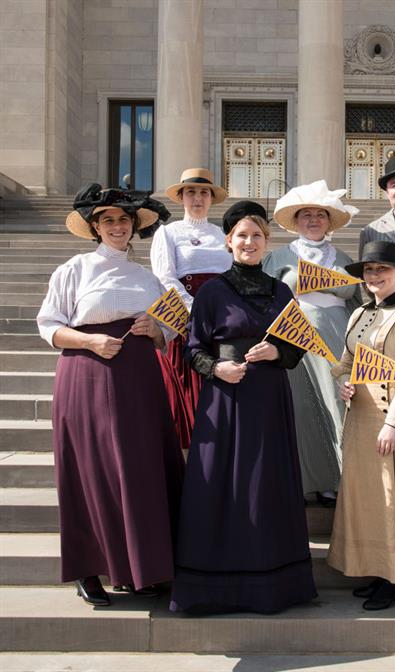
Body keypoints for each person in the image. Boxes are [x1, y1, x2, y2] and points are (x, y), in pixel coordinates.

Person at [37, 184, 185, 607]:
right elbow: (49, 325)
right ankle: (89, 571)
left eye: (124, 220)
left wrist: (156, 330)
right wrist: (90, 344)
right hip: (86, 373)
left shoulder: (149, 278)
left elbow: (170, 329)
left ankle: (142, 569)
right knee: (91, 471)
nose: (117, 226)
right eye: (108, 220)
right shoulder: (73, 269)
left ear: (134, 226)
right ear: (95, 227)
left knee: (139, 471)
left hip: (139, 379)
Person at [170, 201, 317, 615]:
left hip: (269, 400)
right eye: (241, 235)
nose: (249, 242)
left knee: (265, 485)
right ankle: (214, 586)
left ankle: (274, 585)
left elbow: (297, 345)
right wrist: (217, 368)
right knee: (222, 486)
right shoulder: (212, 292)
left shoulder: (283, 290)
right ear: (228, 242)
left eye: (256, 235)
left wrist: (277, 351)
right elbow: (193, 349)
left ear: (266, 241)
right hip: (225, 400)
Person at [327, 241, 395, 611]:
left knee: (394, 496)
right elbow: (344, 362)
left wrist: (392, 424)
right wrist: (343, 380)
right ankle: (377, 569)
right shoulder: (358, 314)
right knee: (370, 499)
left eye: (382, 269)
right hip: (359, 416)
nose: (374, 276)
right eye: (369, 270)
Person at [263, 180, 361, 506]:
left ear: (329, 220)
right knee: (299, 405)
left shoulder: (344, 256)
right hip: (293, 335)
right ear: (297, 220)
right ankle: (301, 479)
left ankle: (336, 479)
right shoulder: (278, 257)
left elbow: (356, 298)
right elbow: (269, 300)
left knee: (336, 403)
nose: (314, 220)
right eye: (306, 214)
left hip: (335, 334)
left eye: (320, 214)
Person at [150, 168, 230, 451]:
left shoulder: (223, 234)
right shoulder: (168, 233)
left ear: (211, 198)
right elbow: (164, 277)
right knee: (186, 396)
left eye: (204, 192)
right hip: (185, 321)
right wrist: (195, 311)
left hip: (222, 322)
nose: (198, 198)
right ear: (181, 197)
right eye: (191, 192)